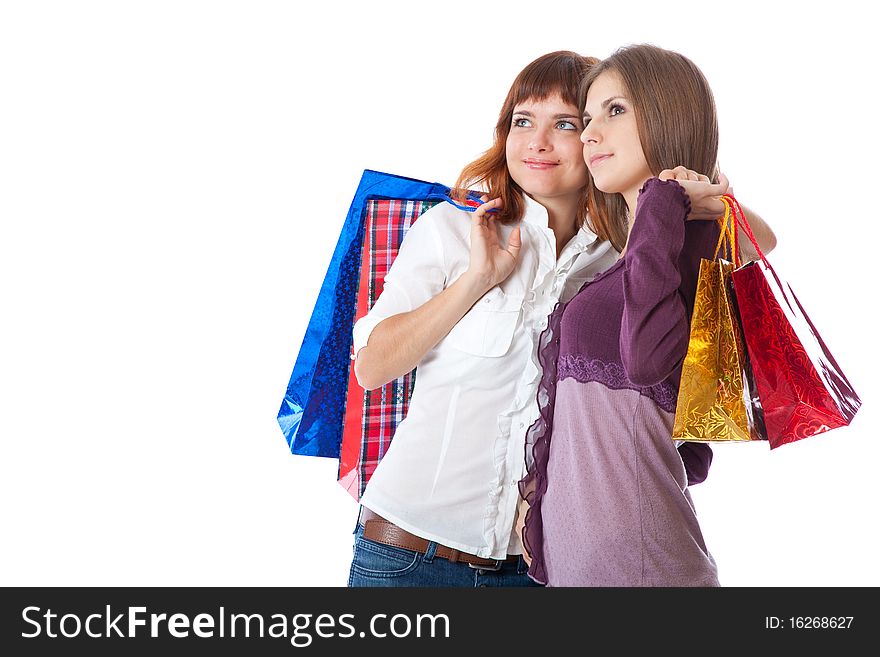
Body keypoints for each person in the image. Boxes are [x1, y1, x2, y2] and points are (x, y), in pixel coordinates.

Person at [348, 51, 773, 587]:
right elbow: (372, 367)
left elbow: (757, 245)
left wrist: (702, 184)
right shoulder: (454, 231)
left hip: (541, 570)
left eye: (566, 124)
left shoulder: (626, 255)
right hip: (408, 554)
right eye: (522, 121)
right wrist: (476, 280)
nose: (537, 142)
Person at [519, 44, 753, 586]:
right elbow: (689, 448)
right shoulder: (631, 254)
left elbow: (646, 361)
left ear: (668, 114)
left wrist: (664, 198)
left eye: (615, 111)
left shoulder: (687, 245)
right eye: (590, 116)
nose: (590, 133)